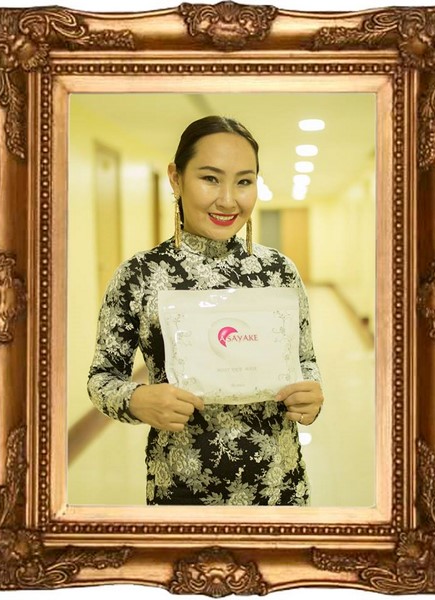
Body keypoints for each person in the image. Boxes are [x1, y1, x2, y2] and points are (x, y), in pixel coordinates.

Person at [87, 115, 323, 505]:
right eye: (210, 178)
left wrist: (310, 396)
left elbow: (306, 362)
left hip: (279, 487)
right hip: (181, 490)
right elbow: (102, 378)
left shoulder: (278, 271)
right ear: (176, 179)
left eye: (244, 182)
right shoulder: (141, 275)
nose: (228, 200)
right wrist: (137, 400)